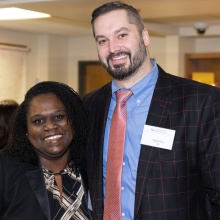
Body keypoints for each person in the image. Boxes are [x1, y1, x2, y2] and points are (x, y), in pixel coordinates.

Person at [83, 1, 220, 219]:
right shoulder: (88, 107)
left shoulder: (201, 102)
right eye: (102, 40)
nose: (113, 48)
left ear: (145, 37)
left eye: (121, 35)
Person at [0, 81, 91, 220]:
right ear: (26, 129)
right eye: (38, 121)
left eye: (58, 117)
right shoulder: (5, 168)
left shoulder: (93, 168)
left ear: (74, 120)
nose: (50, 126)